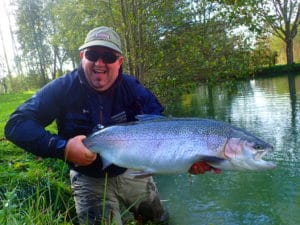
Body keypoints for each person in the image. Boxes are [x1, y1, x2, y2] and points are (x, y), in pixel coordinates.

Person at [4, 26, 218, 225]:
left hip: (132, 172)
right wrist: (64, 148)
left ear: (119, 61)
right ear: (82, 57)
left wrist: (188, 159)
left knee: (159, 219)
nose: (99, 63)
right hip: (88, 178)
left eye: (108, 56)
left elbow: (164, 131)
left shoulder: (133, 89)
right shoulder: (62, 88)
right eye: (92, 55)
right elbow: (16, 125)